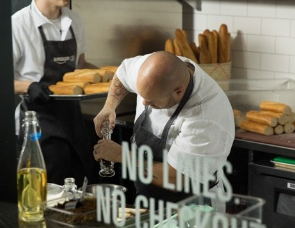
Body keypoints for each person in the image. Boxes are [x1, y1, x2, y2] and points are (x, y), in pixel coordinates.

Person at [93, 51, 235, 210]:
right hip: (149, 201)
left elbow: (175, 179)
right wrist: (109, 106)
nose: (144, 103)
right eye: (142, 96)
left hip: (194, 209)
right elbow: (123, 73)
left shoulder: (205, 117)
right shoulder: (154, 69)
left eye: (152, 102)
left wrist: (120, 155)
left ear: (179, 91)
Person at [11, 0, 98, 187]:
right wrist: (29, 86)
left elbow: (81, 65)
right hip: (38, 121)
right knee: (49, 189)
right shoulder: (19, 24)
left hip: (73, 118)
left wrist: (118, 76)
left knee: (81, 184)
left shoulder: (74, 20)